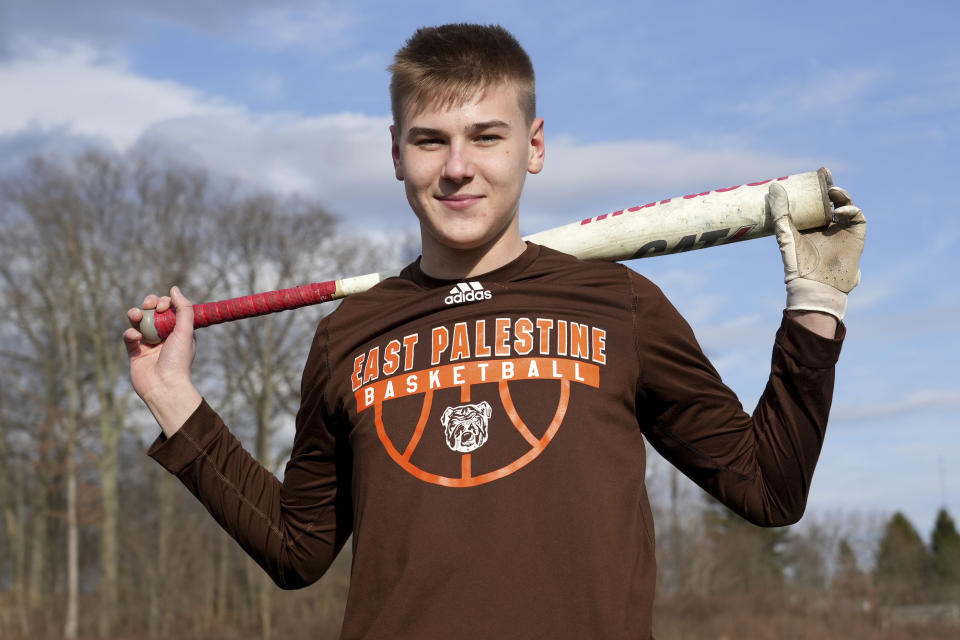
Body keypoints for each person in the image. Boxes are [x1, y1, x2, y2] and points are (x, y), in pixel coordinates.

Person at [124, 23, 866, 640]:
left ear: (533, 147)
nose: (456, 168)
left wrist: (814, 309)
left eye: (486, 136)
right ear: (395, 154)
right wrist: (172, 395)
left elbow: (768, 488)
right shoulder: (348, 334)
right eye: (429, 140)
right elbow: (296, 549)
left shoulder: (620, 304)